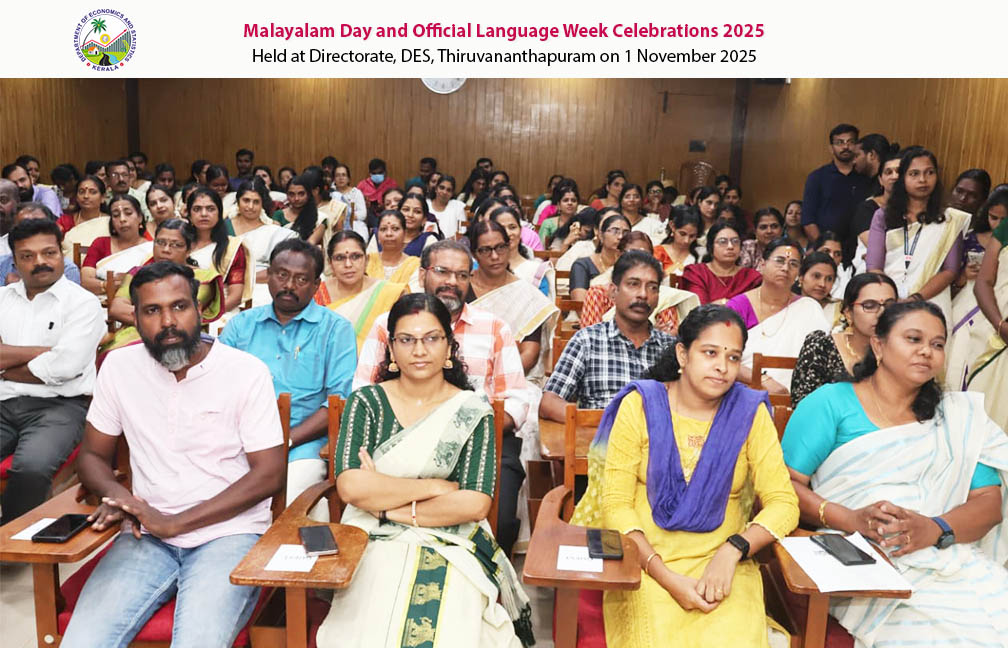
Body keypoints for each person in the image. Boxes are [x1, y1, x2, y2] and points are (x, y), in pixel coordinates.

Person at [60, 261, 286, 648]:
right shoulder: (118, 366)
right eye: (152, 311)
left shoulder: (245, 371)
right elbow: (92, 457)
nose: (168, 321)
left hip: (228, 534)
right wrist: (126, 502)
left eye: (179, 307)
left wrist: (175, 523)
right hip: (143, 534)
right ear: (135, 318)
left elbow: (269, 474)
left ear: (200, 312)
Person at [569, 304, 799, 648]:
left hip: (723, 567)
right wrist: (665, 575)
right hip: (645, 563)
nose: (722, 367)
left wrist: (732, 551)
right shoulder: (641, 405)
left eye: (734, 358)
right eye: (710, 353)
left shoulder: (749, 413)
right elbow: (615, 504)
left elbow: (785, 503)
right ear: (682, 353)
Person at [781, 301, 1008, 648]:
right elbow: (782, 485)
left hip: (949, 558)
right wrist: (850, 518)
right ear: (878, 345)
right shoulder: (830, 403)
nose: (926, 352)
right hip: (862, 563)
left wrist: (935, 528)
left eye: (937, 344)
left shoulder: (956, 417)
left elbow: (989, 503)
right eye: (913, 339)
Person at [316, 293, 533, 647]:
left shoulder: (472, 410)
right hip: (371, 537)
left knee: (452, 609)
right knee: (374, 603)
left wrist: (385, 504)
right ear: (392, 350)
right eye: (407, 340)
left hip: (454, 541)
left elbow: (474, 504)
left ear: (449, 349)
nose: (420, 350)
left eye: (432, 339)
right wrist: (436, 485)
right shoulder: (366, 403)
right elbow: (352, 487)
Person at [353, 240, 534, 556]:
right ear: (422, 274)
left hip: (482, 443)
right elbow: (362, 392)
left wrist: (467, 431)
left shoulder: (493, 328)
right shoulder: (387, 325)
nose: (452, 282)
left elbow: (516, 400)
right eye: (442, 271)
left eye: (462, 275)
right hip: (397, 444)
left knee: (502, 521)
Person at [220, 239, 356, 508]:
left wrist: (286, 439)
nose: (289, 286)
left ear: (316, 285)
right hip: (238, 442)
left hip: (301, 444)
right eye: (282, 275)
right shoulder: (241, 325)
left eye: (301, 279)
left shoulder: (335, 330)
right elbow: (215, 388)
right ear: (268, 274)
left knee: (289, 498)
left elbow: (336, 402)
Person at [0, 218, 105, 524]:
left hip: (60, 406)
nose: (40, 262)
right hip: (4, 403)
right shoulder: (2, 300)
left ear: (62, 253)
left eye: (49, 253)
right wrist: (46, 352)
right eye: (27, 256)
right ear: (15, 260)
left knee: (32, 466)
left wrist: (5, 365)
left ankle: (10, 544)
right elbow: (56, 362)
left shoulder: (83, 304)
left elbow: (67, 367)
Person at [540, 251, 675, 420]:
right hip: (599, 438)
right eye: (633, 284)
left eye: (652, 287)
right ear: (613, 292)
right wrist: (602, 422)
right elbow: (550, 402)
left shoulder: (671, 348)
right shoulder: (588, 340)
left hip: (657, 440)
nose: (643, 294)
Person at [866, 147, 969, 322]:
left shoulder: (950, 220)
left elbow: (950, 270)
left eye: (929, 173)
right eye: (914, 174)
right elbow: (874, 265)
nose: (923, 180)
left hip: (932, 303)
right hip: (887, 302)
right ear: (903, 178)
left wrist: (915, 299)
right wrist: (891, 299)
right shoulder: (883, 216)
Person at [103, 218, 225, 364]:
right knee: (114, 358)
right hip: (135, 334)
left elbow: (182, 314)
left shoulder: (203, 278)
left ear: (189, 248)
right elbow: (117, 308)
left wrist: (147, 313)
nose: (166, 250)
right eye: (160, 243)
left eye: (175, 245)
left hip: (181, 337)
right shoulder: (138, 273)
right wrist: (150, 324)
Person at [726, 238, 830, 393]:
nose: (786, 268)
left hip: (799, 398)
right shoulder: (738, 306)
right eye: (779, 261)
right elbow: (723, 356)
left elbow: (822, 360)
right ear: (762, 264)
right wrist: (762, 380)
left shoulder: (809, 309)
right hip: (744, 392)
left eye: (793, 264)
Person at [467, 220, 560, 383]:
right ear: (474, 254)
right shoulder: (461, 287)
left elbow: (529, 354)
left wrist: (494, 381)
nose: (495, 256)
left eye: (500, 247)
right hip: (464, 377)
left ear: (509, 247)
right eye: (485, 250)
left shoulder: (527, 295)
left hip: (512, 380)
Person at [791, 272, 897, 405]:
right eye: (869, 306)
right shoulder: (822, 346)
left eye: (890, 306)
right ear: (848, 313)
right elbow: (804, 406)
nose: (881, 313)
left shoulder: (903, 351)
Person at [315, 230, 406, 350]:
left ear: (366, 260)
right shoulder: (316, 293)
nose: (348, 264)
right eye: (340, 258)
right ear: (330, 263)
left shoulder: (390, 293)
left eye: (355, 256)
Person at [966, 210, 1008, 430]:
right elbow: (984, 282)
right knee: (987, 424)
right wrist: (1000, 326)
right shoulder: (1006, 227)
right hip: (997, 336)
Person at [801, 123, 871, 253]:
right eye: (839, 142)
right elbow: (808, 220)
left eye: (850, 142)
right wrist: (823, 248)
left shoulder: (865, 178)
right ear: (831, 148)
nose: (845, 146)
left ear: (857, 146)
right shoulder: (817, 177)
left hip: (858, 251)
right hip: (824, 251)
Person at [227, 179, 298, 306]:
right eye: (246, 200)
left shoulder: (273, 232)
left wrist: (245, 278)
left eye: (256, 202)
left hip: (263, 289)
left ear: (262, 204)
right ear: (238, 201)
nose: (250, 207)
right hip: (226, 288)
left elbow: (282, 269)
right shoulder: (224, 227)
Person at [186, 187, 253, 314]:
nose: (204, 214)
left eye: (210, 209)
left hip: (220, 313)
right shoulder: (179, 243)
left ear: (219, 213)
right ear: (189, 215)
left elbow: (235, 295)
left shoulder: (232, 248)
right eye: (197, 209)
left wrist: (207, 316)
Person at [80, 194, 153, 295]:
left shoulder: (151, 250)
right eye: (116, 215)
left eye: (128, 213)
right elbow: (85, 281)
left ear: (140, 217)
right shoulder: (101, 243)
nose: (122, 219)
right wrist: (108, 285)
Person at [681, 220, 762, 305]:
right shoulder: (697, 273)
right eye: (723, 242)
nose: (730, 247)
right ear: (711, 247)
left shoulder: (751, 278)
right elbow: (699, 309)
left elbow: (755, 310)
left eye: (735, 241)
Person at [1, 203, 81, 286]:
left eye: (40, 227)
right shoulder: (2, 264)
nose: (33, 234)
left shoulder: (67, 269)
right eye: (24, 228)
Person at [850, 150, 901, 273]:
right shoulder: (867, 208)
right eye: (889, 172)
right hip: (871, 272)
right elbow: (876, 248)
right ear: (880, 180)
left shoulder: (914, 208)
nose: (895, 176)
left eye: (899, 171)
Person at [490, 205, 554, 299]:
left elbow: (541, 310)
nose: (508, 233)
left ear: (520, 231)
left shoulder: (535, 272)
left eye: (512, 227)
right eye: (501, 228)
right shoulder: (480, 269)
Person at [569, 212, 629, 301]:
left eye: (625, 233)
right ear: (601, 235)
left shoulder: (632, 265)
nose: (620, 236)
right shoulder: (582, 265)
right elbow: (580, 304)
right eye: (615, 231)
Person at [366, 210, 422, 289]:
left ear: (405, 234)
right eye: (383, 229)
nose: (389, 233)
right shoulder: (367, 261)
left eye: (395, 229)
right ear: (377, 235)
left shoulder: (415, 265)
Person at [60, 174, 110, 256]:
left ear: (103, 198)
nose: (86, 196)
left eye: (93, 192)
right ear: (76, 197)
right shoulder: (65, 222)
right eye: (81, 192)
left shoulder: (110, 223)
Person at [273, 174, 327, 244]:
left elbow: (310, 243)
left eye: (301, 194)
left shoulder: (320, 218)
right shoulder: (279, 215)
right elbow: (276, 241)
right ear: (286, 195)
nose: (296, 198)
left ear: (308, 194)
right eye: (292, 194)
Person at [654, 206, 699, 276]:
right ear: (672, 226)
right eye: (682, 234)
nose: (686, 241)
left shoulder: (700, 255)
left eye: (692, 236)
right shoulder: (658, 252)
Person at [621, 183, 666, 247]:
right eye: (627, 197)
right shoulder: (614, 222)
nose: (632, 200)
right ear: (620, 200)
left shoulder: (653, 223)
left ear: (641, 200)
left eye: (636, 196)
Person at [740, 207, 785, 271]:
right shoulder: (749, 247)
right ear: (755, 231)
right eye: (763, 227)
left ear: (782, 230)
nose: (769, 231)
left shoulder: (789, 250)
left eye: (774, 226)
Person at [331, 163, 368, 237]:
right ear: (334, 179)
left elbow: (363, 214)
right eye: (338, 175)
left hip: (355, 224)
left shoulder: (356, 192)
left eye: (344, 175)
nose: (341, 178)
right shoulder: (331, 194)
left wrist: (348, 216)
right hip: (334, 225)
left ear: (348, 178)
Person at [814, 230, 852, 300]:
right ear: (814, 252)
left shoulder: (847, 278)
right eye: (826, 251)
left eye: (837, 254)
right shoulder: (803, 274)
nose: (831, 257)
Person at [427, 174, 466, 240]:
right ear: (436, 189)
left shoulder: (459, 206)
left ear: (452, 193)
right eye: (442, 188)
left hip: (452, 246)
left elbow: (462, 232)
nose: (444, 192)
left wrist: (445, 243)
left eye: (448, 190)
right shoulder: (426, 204)